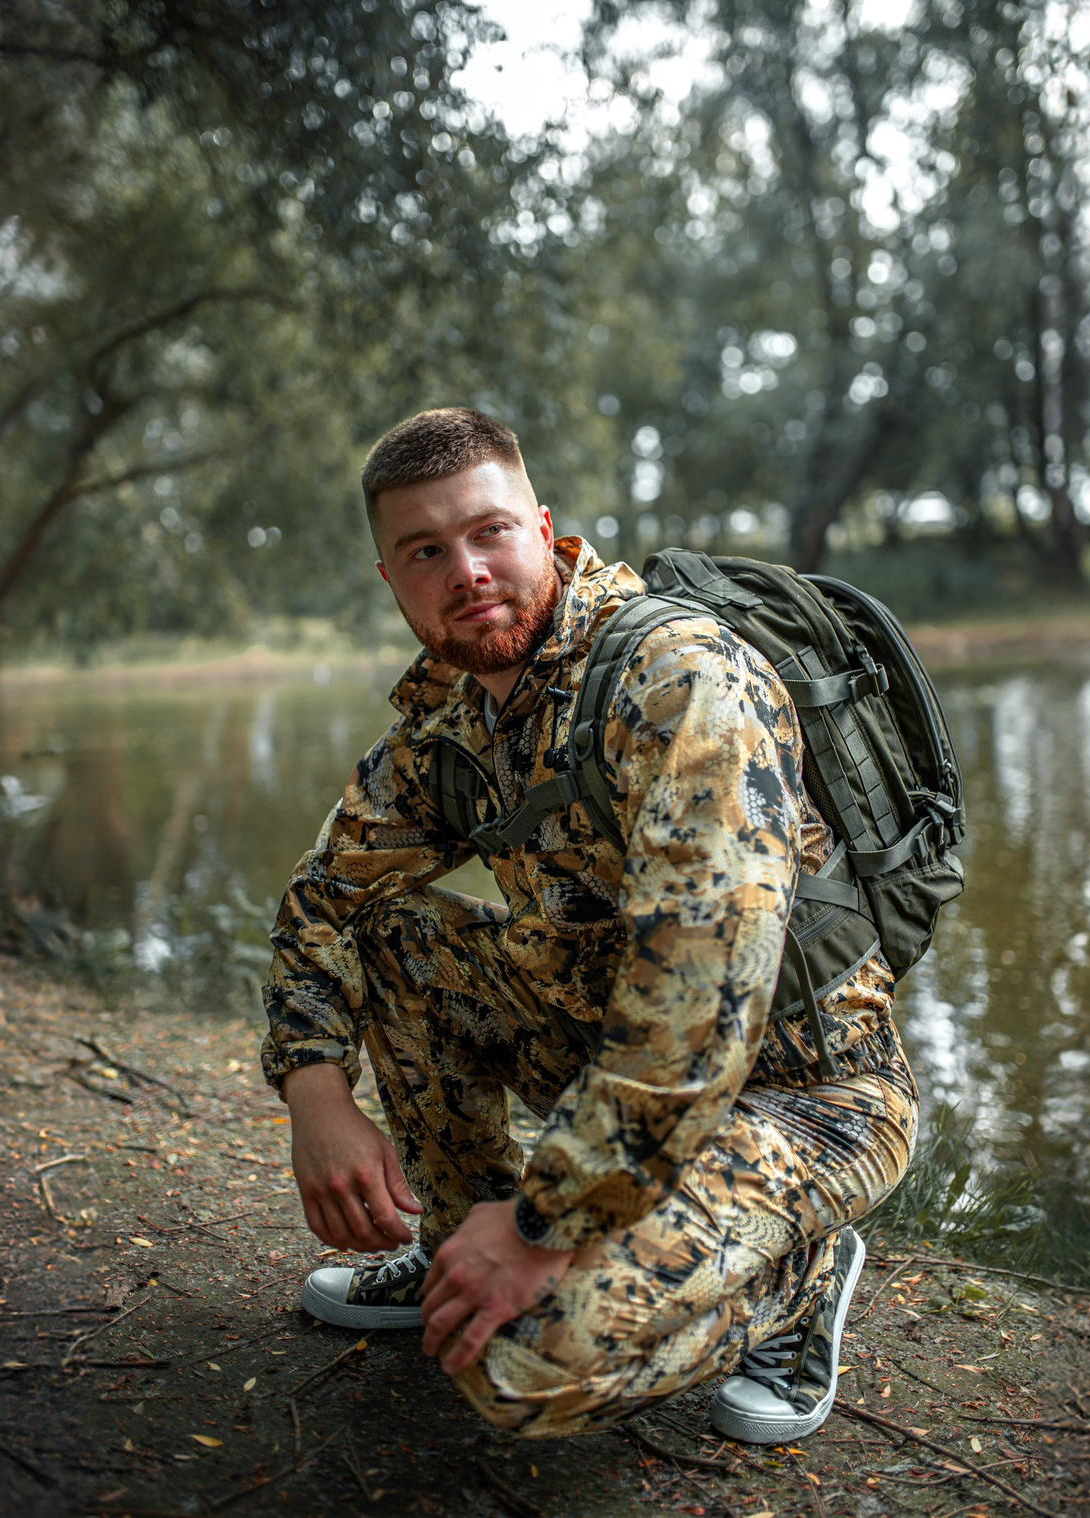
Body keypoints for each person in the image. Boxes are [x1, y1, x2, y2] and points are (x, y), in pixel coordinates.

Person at [259, 407, 917, 1442]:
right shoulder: (452, 717)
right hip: (606, 1055)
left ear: (543, 527)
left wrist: (541, 1226)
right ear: (391, 579)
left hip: (807, 1096)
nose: (465, 571)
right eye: (425, 551)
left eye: (488, 533)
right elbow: (327, 900)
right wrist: (312, 1086)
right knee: (395, 930)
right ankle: (451, 1249)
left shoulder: (679, 680)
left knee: (517, 1368)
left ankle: (796, 1280)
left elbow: (697, 1017)